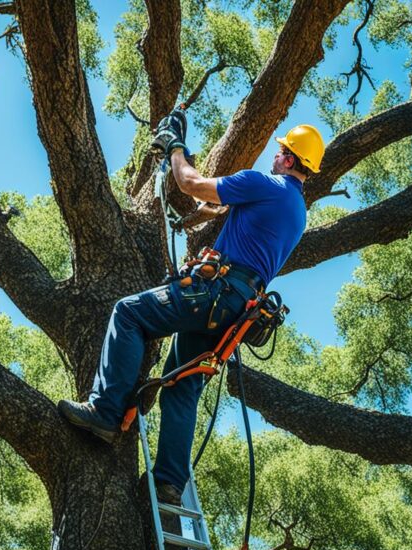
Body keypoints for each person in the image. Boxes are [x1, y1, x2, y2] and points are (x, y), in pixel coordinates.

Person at [58, 110, 325, 504]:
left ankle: (105, 412)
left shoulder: (263, 184)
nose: (274, 154)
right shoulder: (295, 210)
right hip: (236, 311)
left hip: (215, 293)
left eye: (280, 150)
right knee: (182, 387)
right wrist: (191, 218)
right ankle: (168, 485)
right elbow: (220, 206)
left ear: (288, 159)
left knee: (129, 313)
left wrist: (175, 148)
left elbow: (191, 183)